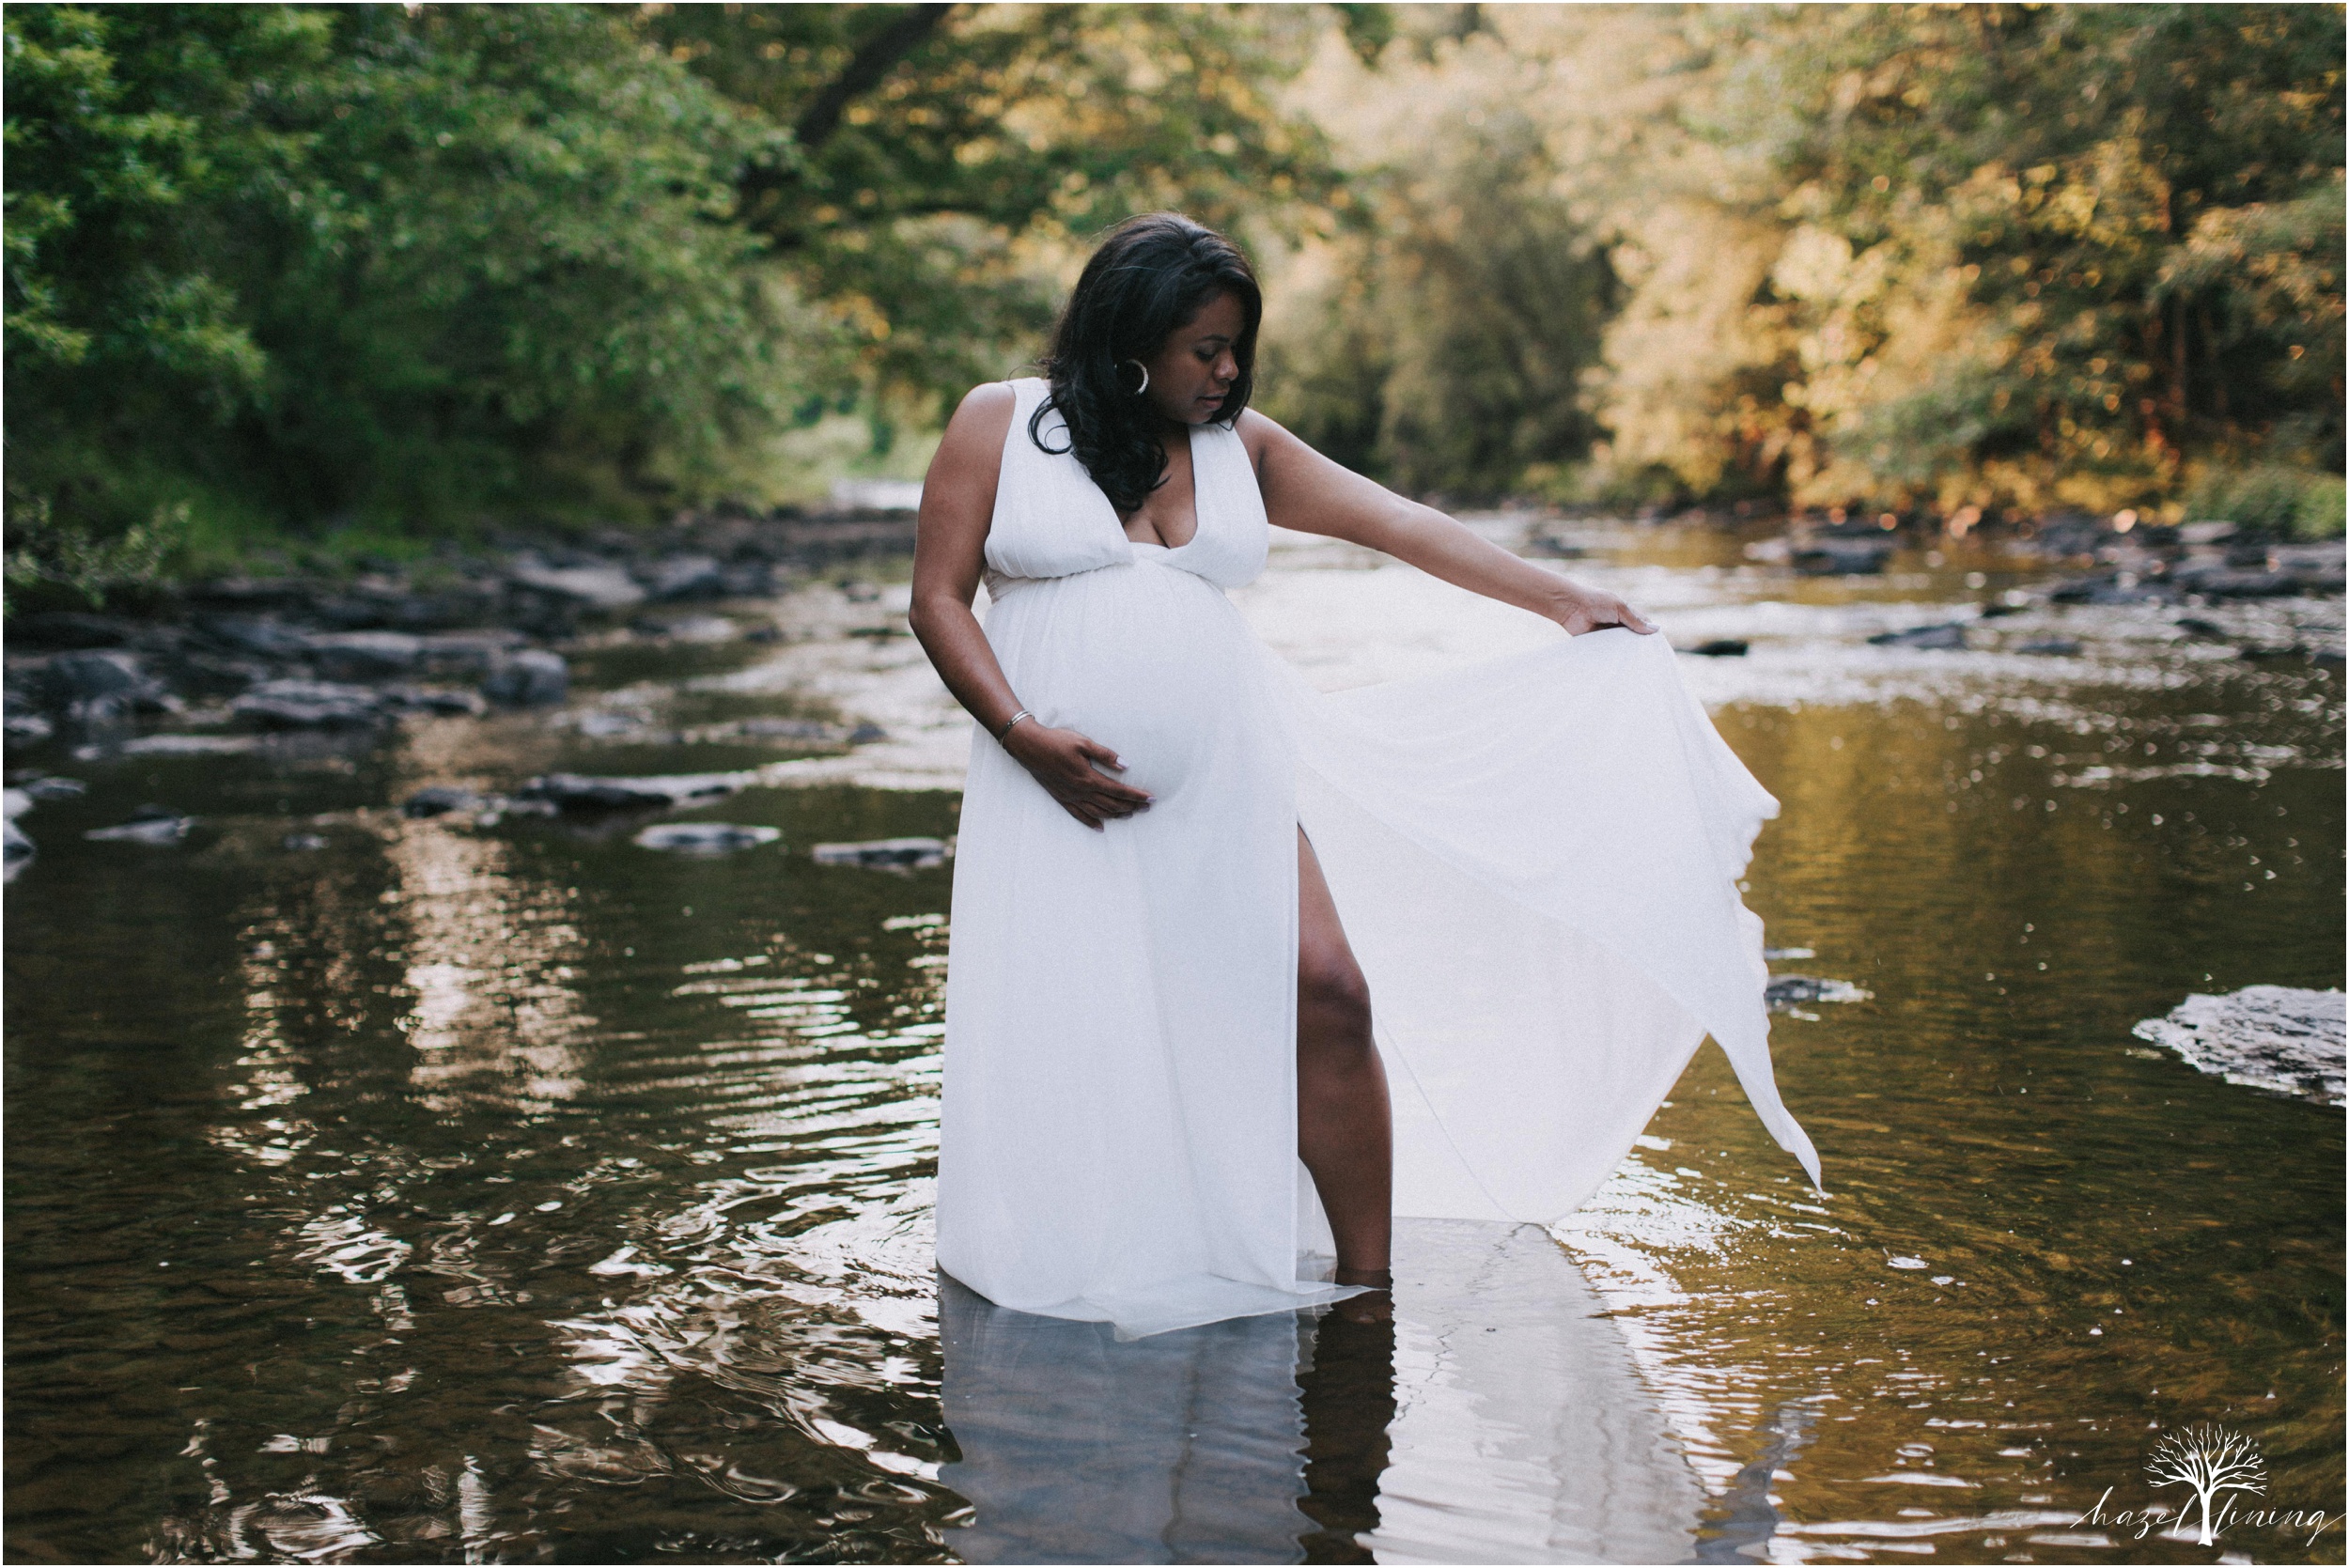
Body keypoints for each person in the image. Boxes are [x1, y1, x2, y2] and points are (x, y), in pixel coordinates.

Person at [910, 212, 1816, 1339]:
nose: (1229, 370)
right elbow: (937, 598)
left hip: (1230, 775)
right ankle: (1100, 1250)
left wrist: (1556, 597)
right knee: (1098, 1024)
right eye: (1205, 348)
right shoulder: (1002, 423)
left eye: (1239, 345)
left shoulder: (1245, 450)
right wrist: (1019, 731)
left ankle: (1366, 1289)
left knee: (1327, 992)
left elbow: (1397, 521)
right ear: (1129, 339)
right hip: (1050, 784)